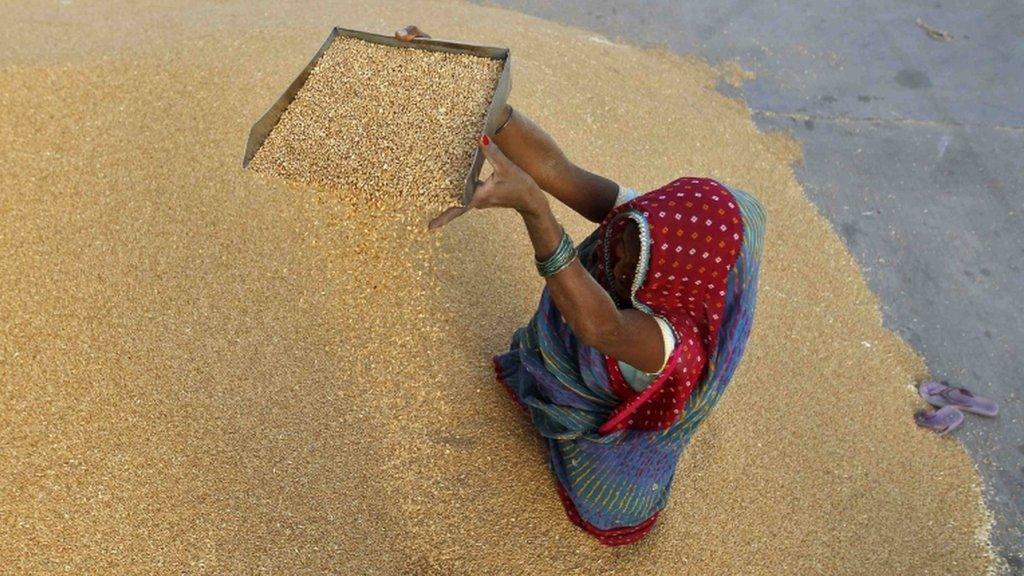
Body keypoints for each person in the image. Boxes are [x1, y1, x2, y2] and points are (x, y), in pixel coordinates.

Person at [397, 25, 767, 545]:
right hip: (587, 344)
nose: (612, 253)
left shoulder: (670, 343)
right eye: (622, 242)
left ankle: (583, 447)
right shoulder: (647, 228)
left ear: (670, 291)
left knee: (607, 501)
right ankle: (544, 386)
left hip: (604, 435)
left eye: (627, 269)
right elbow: (555, 167)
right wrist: (480, 102)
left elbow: (600, 326)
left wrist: (535, 211)